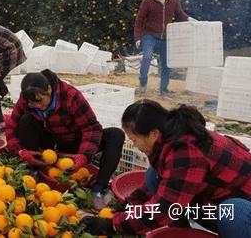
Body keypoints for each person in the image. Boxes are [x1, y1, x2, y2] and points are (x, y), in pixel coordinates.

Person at [82, 99, 251, 237]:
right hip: (213, 200)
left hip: (240, 210)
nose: (135, 144)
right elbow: (157, 188)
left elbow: (166, 208)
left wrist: (112, 225)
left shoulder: (186, 151)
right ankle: (181, 233)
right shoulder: (169, 139)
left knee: (233, 214)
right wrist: (128, 207)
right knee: (153, 176)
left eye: (134, 139)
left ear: (154, 134)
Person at [6, 69, 125, 210]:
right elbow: (12, 125)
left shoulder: (70, 97)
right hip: (51, 143)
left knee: (116, 135)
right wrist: (20, 151)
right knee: (26, 120)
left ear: (49, 90)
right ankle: (34, 170)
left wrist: (85, 155)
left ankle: (98, 189)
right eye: (33, 104)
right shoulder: (27, 97)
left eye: (40, 101)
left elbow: (91, 127)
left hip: (75, 142)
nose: (38, 106)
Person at [134, 0, 196, 95]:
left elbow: (179, 13)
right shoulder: (147, 2)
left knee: (166, 63)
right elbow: (139, 20)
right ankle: (142, 83)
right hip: (149, 35)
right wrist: (137, 38)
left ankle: (163, 89)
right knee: (146, 57)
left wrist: (189, 19)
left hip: (166, 37)